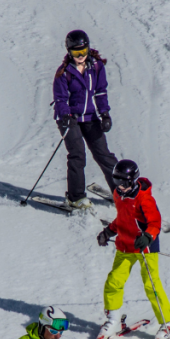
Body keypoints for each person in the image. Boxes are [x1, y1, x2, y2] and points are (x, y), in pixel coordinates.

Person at [96, 160, 170, 339]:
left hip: (145, 246)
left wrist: (148, 236)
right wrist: (108, 232)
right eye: (116, 181)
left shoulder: (144, 199)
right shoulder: (118, 194)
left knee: (151, 285)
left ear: (133, 181)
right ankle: (113, 321)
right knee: (113, 281)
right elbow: (122, 218)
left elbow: (155, 223)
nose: (120, 186)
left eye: (124, 182)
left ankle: (169, 324)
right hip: (125, 246)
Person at [52, 29, 119, 210]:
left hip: (89, 116)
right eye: (76, 53)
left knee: (104, 154)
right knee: (78, 154)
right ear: (69, 52)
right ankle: (76, 198)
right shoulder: (64, 73)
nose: (80, 56)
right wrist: (65, 115)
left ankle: (121, 192)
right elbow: (60, 99)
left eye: (83, 51)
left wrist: (104, 114)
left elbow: (100, 92)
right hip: (69, 118)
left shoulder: (96, 67)